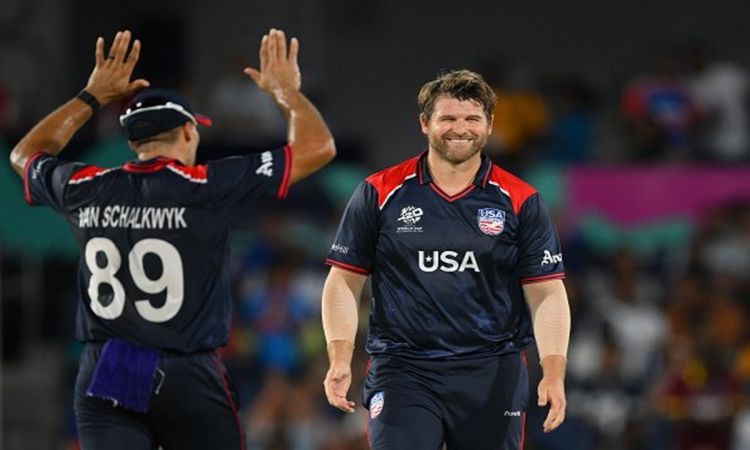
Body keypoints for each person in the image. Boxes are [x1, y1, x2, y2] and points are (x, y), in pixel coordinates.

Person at [9, 28, 335, 450]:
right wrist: (285, 92)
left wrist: (91, 96)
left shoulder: (85, 185)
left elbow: (25, 153)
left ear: (133, 141)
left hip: (113, 362)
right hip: (186, 367)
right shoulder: (205, 185)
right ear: (186, 132)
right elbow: (319, 148)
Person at [322, 69, 570, 449]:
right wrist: (340, 358)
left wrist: (554, 372)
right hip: (404, 369)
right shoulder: (379, 191)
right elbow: (343, 280)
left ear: (489, 125)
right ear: (425, 123)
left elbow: (547, 293)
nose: (461, 128)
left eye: (472, 118)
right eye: (448, 118)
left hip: (492, 371)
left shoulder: (521, 200)